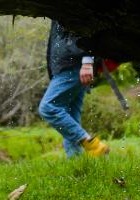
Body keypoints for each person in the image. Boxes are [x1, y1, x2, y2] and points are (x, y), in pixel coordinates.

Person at [38, 20, 110, 158]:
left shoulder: (71, 1)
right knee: (71, 119)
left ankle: (91, 144)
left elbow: (88, 27)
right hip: (66, 66)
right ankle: (77, 165)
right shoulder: (57, 5)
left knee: (48, 108)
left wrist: (88, 61)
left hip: (73, 65)